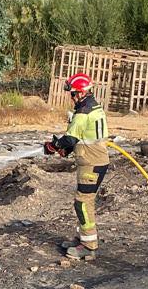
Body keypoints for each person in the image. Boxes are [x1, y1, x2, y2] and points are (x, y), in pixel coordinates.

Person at [44, 72, 111, 259]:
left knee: (82, 202)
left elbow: (70, 138)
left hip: (91, 163)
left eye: (73, 93)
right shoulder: (93, 107)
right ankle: (83, 239)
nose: (71, 97)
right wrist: (66, 149)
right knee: (83, 201)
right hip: (94, 161)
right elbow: (82, 137)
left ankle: (88, 246)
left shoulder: (83, 112)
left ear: (81, 92)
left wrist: (54, 146)